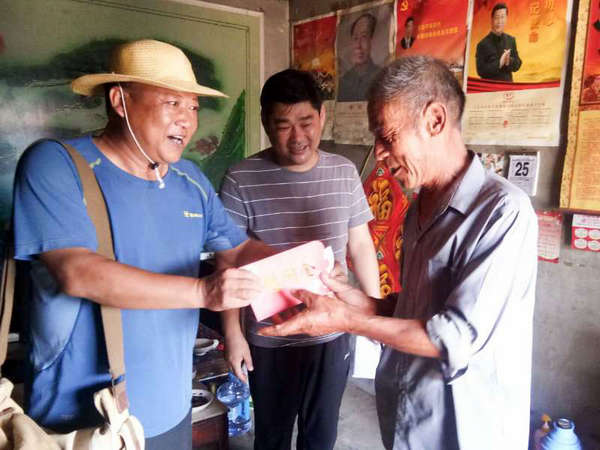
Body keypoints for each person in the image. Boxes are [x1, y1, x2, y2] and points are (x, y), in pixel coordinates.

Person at [260, 56, 538, 450]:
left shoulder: (502, 212)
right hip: (408, 414)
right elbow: (415, 308)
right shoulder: (419, 208)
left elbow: (453, 336)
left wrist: (345, 320)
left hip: (466, 426)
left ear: (435, 120)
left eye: (387, 136)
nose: (379, 153)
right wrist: (355, 300)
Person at [12, 39, 272, 450]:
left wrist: (304, 259)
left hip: (171, 405)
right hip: (83, 419)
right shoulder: (57, 164)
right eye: (172, 103)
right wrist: (203, 292)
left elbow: (237, 251)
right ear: (120, 101)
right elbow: (77, 272)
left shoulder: (190, 180)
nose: (187, 120)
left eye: (193, 107)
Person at [220, 69, 380, 450]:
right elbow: (227, 263)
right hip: (268, 337)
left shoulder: (344, 172)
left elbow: (361, 246)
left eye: (306, 122)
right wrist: (233, 335)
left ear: (322, 116)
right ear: (265, 123)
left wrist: (374, 313)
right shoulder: (241, 179)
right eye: (283, 125)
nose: (297, 137)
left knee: (321, 436)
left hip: (331, 332)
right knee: (271, 437)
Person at [337, 13, 382, 102]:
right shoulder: (343, 81)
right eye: (355, 38)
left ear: (372, 40)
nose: (358, 46)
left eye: (364, 37)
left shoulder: (381, 77)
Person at [475, 3, 522, 81]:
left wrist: (509, 61)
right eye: (497, 17)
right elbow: (480, 71)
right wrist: (499, 63)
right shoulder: (482, 44)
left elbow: (518, 64)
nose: (499, 21)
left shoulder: (511, 40)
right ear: (492, 19)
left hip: (507, 86)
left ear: (506, 19)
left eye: (502, 17)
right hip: (489, 86)